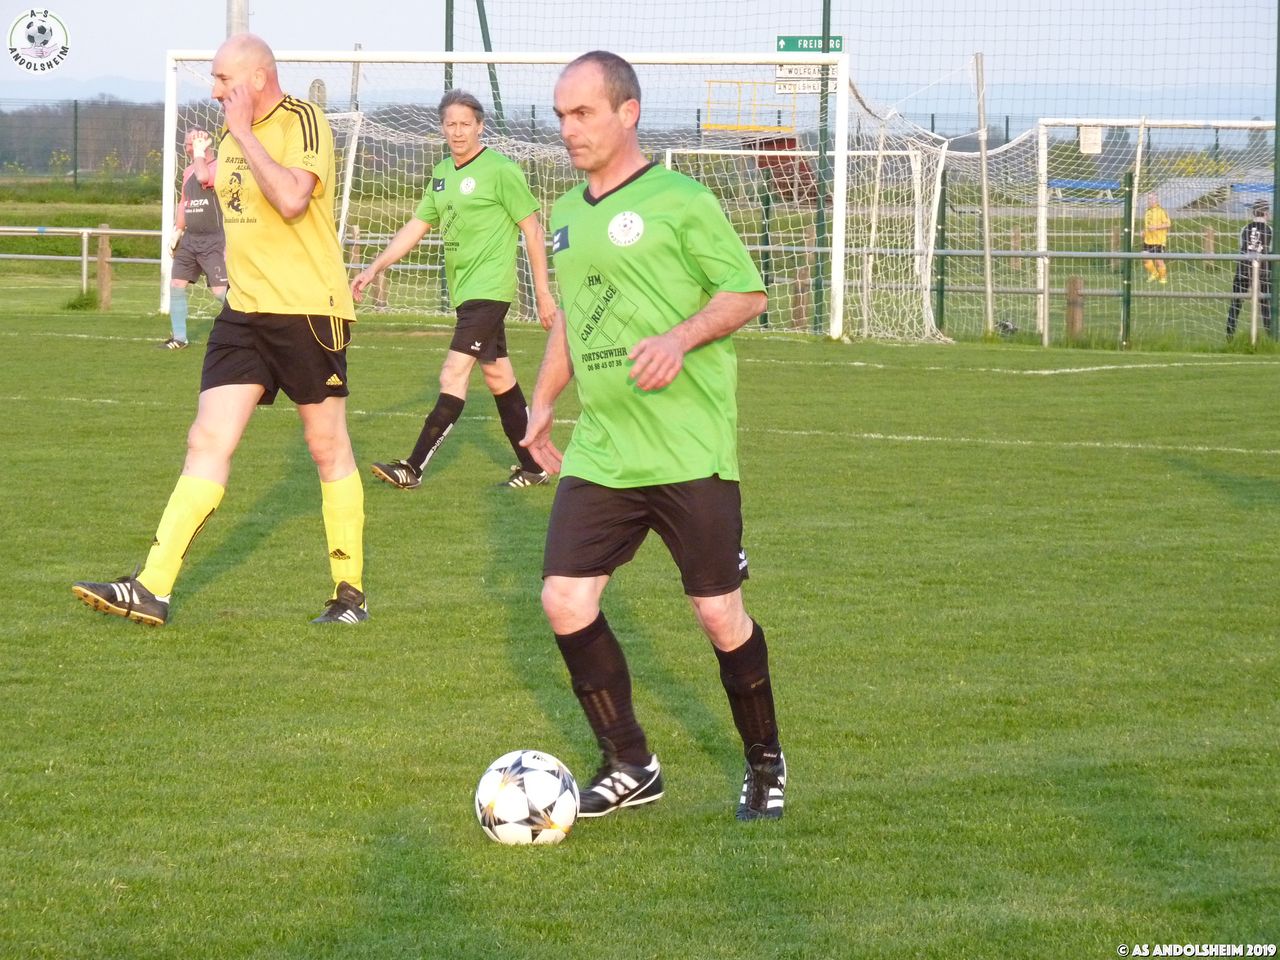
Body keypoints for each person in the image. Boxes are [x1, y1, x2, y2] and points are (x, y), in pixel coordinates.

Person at [520, 51, 786, 821]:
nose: (569, 129)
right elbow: (571, 319)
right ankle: (630, 763)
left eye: (583, 113)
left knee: (718, 614)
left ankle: (765, 762)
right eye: (561, 116)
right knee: (565, 600)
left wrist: (679, 337)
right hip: (605, 446)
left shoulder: (682, 200)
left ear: (627, 112)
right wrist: (543, 400)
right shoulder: (565, 213)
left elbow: (747, 294)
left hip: (687, 446)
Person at [73, 33, 368, 626]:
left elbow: (292, 199)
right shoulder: (232, 135)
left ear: (257, 78)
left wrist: (246, 136)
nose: (213, 90)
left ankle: (349, 594)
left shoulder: (303, 121)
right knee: (206, 439)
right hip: (243, 313)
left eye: (222, 79)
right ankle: (152, 587)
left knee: (326, 446)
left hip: (308, 311)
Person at [350, 89, 557, 491]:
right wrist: (374, 267)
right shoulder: (443, 173)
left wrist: (543, 293)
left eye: (465, 124)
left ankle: (412, 468)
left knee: (453, 373)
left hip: (489, 290)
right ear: (443, 128)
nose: (458, 131)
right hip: (467, 294)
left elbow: (532, 229)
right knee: (498, 377)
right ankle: (534, 466)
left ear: (480, 127)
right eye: (451, 124)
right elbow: (417, 226)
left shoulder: (501, 171)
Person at [164, 128, 229, 350]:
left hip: (214, 240)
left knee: (220, 291)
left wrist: (201, 153)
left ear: (203, 144)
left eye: (191, 143)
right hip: (191, 239)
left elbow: (204, 177)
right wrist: (177, 231)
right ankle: (179, 338)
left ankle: (252, 325)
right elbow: (185, 202)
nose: (186, 147)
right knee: (176, 284)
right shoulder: (188, 170)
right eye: (186, 143)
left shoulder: (218, 167)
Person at [1226, 199, 1273, 339]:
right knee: (1266, 304)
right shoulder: (1270, 230)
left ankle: (1229, 335)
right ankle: (1271, 336)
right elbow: (1270, 251)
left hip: (1244, 269)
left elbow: (1241, 248)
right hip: (1263, 271)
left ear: (1253, 212)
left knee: (1236, 303)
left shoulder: (1244, 229)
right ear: (1266, 213)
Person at [1141, 192, 1171, 284]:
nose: (1150, 200)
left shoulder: (1161, 211)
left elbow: (1168, 224)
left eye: (1152, 198)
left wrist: (1156, 227)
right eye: (1149, 199)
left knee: (1159, 261)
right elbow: (1148, 225)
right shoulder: (1147, 212)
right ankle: (1154, 273)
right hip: (1148, 240)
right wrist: (1144, 232)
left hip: (1159, 241)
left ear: (1157, 200)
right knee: (1144, 257)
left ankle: (1163, 278)